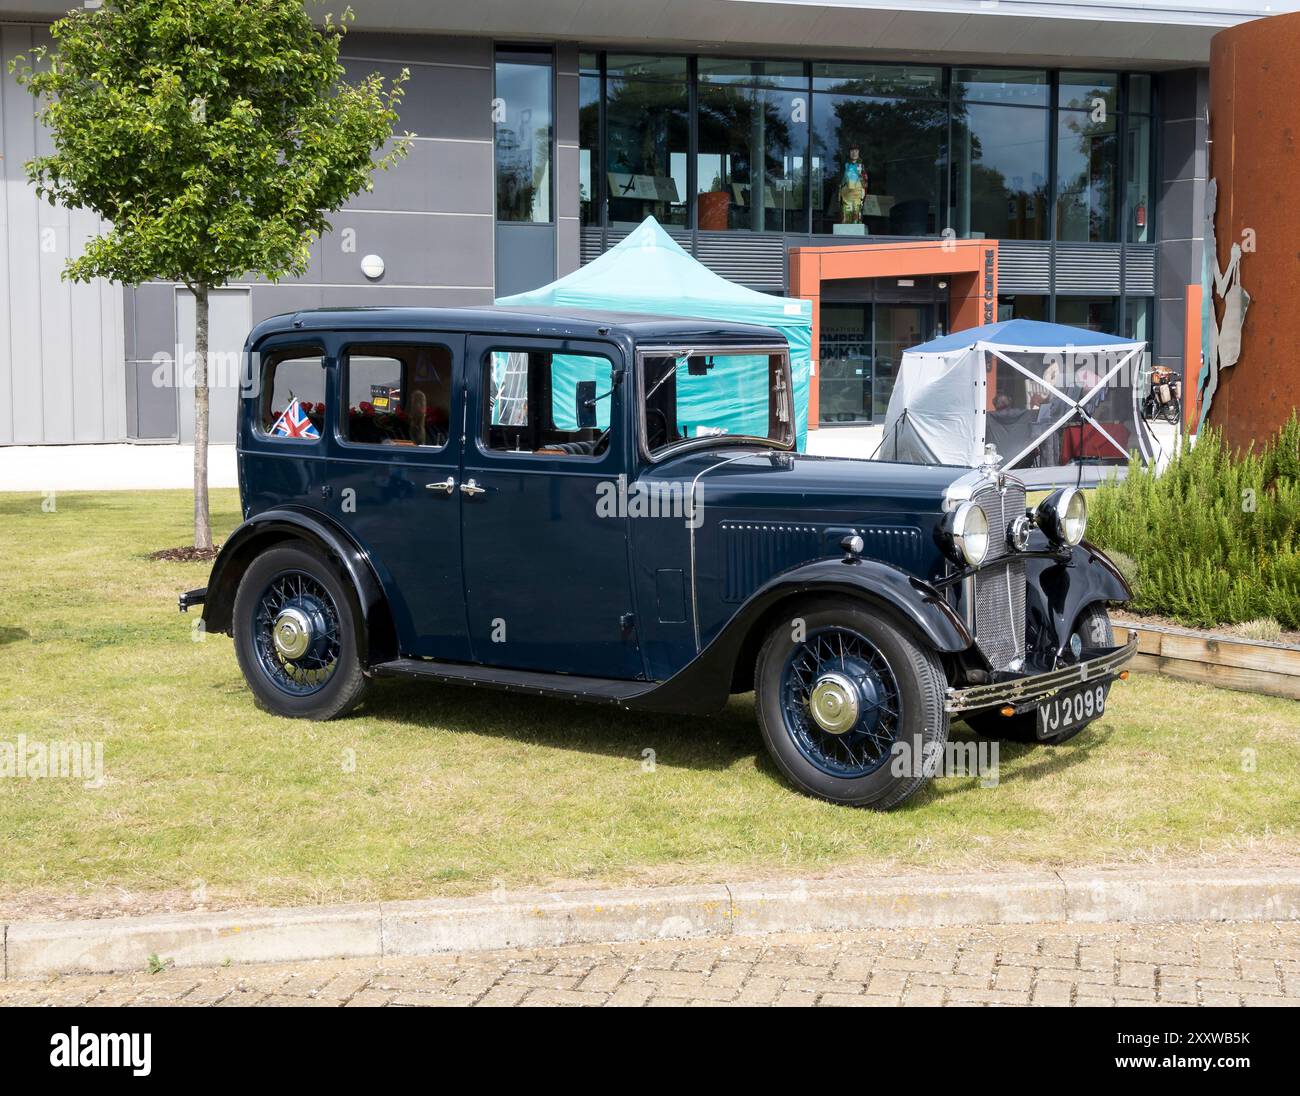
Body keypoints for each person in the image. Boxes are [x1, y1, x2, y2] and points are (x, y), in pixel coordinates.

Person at [839, 146, 867, 224]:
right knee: (846, 212)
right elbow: (841, 180)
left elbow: (865, 181)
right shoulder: (845, 165)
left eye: (856, 151)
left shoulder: (861, 165)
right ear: (849, 153)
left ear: (858, 152)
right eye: (852, 151)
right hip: (846, 195)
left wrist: (861, 175)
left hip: (857, 194)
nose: (854, 153)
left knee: (856, 211)